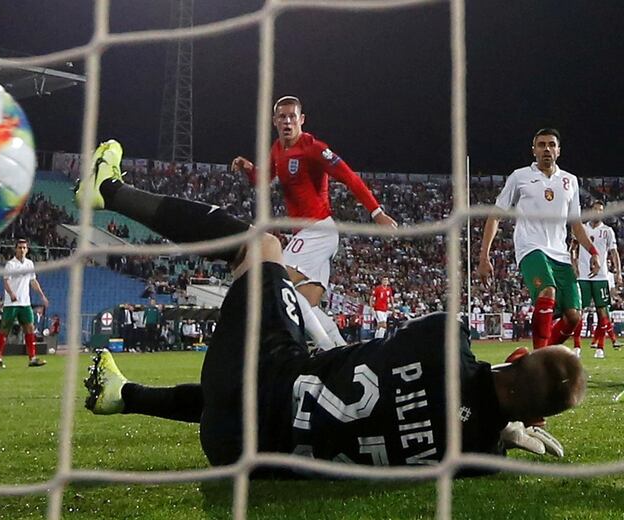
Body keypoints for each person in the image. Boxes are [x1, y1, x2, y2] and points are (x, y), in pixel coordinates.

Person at [77, 139, 585, 470]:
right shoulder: (471, 458)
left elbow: (404, 367)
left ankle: (109, 191)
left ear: (518, 357)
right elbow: (471, 424)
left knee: (260, 248)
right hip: (239, 451)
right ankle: (126, 395)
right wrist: (498, 432)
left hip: (257, 376)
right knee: (280, 399)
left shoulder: (445, 339)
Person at [231, 96, 397, 350]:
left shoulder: (313, 148)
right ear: (274, 120)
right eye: (282, 117)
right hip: (311, 235)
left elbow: (349, 177)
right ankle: (342, 351)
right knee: (304, 303)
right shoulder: (277, 148)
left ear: (302, 119)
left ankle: (321, 351)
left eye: (292, 116)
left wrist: (377, 213)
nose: (287, 121)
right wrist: (248, 168)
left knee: (275, 282)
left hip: (318, 230)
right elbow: (264, 180)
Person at [479, 128, 600, 351]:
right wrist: (484, 255)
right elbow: (495, 215)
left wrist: (593, 252)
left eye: (551, 145)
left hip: (560, 254)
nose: (547, 149)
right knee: (548, 291)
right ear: (533, 150)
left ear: (559, 151)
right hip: (531, 247)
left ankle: (540, 357)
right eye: (542, 144)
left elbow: (576, 224)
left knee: (573, 316)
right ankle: (539, 363)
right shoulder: (520, 177)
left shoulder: (570, 181)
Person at [571, 200, 622, 358]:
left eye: (601, 210)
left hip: (601, 276)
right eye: (595, 209)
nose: (597, 212)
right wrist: (574, 266)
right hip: (583, 276)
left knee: (603, 312)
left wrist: (618, 272)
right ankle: (577, 346)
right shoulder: (581, 228)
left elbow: (614, 253)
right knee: (579, 311)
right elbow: (572, 249)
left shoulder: (607, 231)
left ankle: (600, 348)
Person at [0, 238, 49, 369]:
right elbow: (6, 281)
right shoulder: (10, 265)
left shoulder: (29, 264)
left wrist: (42, 296)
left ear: (27, 249)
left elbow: (33, 281)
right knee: (5, 330)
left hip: (25, 303)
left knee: (29, 328)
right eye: (20, 247)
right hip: (11, 304)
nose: (22, 250)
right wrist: (12, 294)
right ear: (16, 249)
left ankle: (32, 358)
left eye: (24, 248)